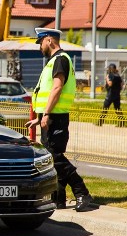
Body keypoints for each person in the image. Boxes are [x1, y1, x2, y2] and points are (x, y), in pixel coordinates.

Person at [25, 28, 94, 212]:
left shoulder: (60, 59)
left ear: (49, 40)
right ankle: (59, 198)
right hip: (51, 117)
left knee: (54, 158)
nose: (39, 47)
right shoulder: (54, 61)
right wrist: (40, 118)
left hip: (56, 117)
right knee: (54, 158)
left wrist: (46, 114)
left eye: (40, 42)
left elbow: (57, 88)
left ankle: (82, 193)